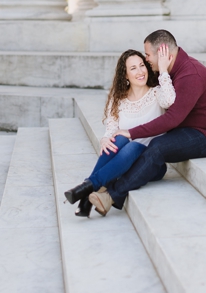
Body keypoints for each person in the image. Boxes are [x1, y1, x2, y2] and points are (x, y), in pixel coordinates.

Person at [88, 29, 206, 216]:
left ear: (162, 52)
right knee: (137, 147)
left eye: (147, 55)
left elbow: (172, 118)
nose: (146, 60)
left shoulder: (190, 74)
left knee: (157, 146)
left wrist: (131, 132)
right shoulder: (173, 70)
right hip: (185, 128)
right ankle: (95, 184)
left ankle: (112, 194)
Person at [63, 47, 175, 217]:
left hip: (151, 165)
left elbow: (170, 100)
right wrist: (105, 140)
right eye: (133, 68)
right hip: (124, 162)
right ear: (125, 76)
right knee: (119, 140)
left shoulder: (157, 93)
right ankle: (87, 195)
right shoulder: (119, 101)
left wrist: (164, 70)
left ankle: (86, 187)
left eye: (142, 65)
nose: (140, 71)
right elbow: (111, 130)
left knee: (133, 146)